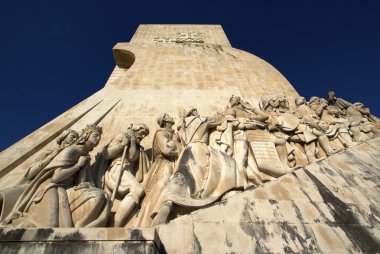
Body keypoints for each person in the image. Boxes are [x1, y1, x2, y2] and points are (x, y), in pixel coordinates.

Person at [151, 107, 246, 226]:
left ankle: (167, 204)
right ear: (194, 112)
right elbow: (219, 120)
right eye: (195, 110)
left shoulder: (182, 127)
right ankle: (223, 193)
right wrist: (224, 114)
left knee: (181, 177)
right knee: (229, 162)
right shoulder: (201, 120)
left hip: (187, 151)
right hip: (200, 149)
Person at [3, 125, 107, 228]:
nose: (98, 139)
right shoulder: (71, 151)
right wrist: (78, 166)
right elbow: (56, 177)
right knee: (51, 225)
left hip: (69, 188)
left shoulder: (85, 156)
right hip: (52, 187)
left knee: (101, 196)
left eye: (99, 137)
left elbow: (81, 182)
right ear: (86, 136)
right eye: (95, 136)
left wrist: (85, 178)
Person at [135, 113, 180, 227]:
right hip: (164, 164)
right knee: (162, 185)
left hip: (175, 163)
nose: (172, 117)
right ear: (165, 120)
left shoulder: (172, 134)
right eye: (169, 116)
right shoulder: (160, 133)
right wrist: (177, 144)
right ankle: (150, 218)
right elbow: (166, 149)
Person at [102, 124, 150, 227]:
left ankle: (117, 222)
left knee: (138, 190)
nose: (142, 136)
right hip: (118, 168)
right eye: (142, 133)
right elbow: (107, 154)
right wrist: (122, 145)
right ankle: (116, 224)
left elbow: (132, 157)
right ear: (135, 130)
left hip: (127, 171)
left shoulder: (136, 145)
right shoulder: (121, 136)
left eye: (144, 135)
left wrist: (132, 141)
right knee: (137, 189)